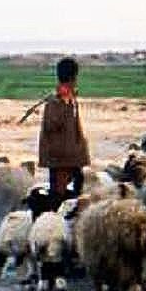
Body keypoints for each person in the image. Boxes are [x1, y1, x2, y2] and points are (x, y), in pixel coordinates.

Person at [37, 57, 90, 205]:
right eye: (75, 78)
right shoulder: (56, 102)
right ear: (72, 78)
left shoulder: (69, 98)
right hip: (60, 158)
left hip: (71, 157)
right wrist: (64, 104)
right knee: (59, 197)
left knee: (76, 189)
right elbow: (51, 126)